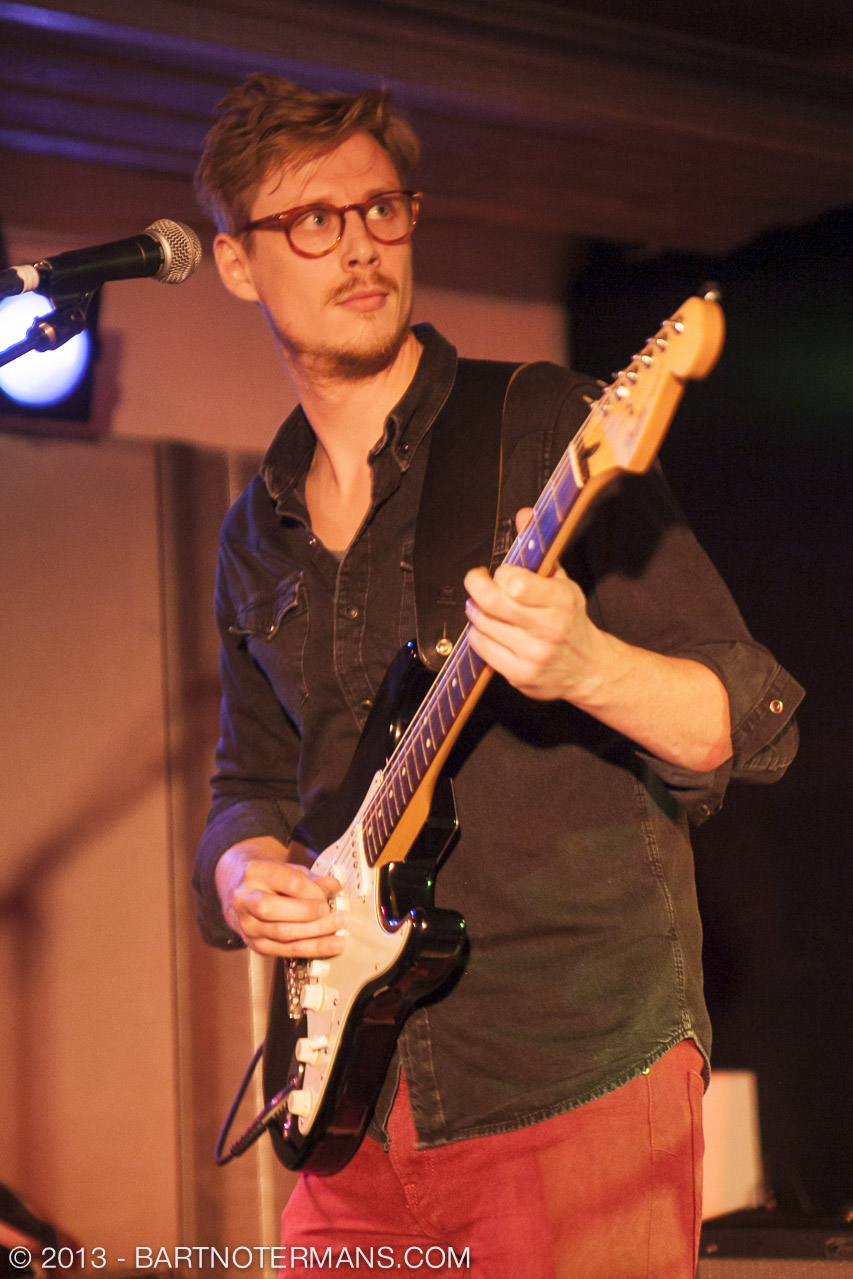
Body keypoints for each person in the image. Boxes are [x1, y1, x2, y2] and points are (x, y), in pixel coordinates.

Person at [192, 74, 802, 1278]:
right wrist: (244, 873)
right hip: (350, 1111)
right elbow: (245, 785)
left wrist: (585, 662)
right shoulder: (254, 532)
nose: (360, 246)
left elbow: (741, 720)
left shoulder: (540, 428)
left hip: (571, 1066)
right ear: (235, 262)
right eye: (312, 220)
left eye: (382, 209)